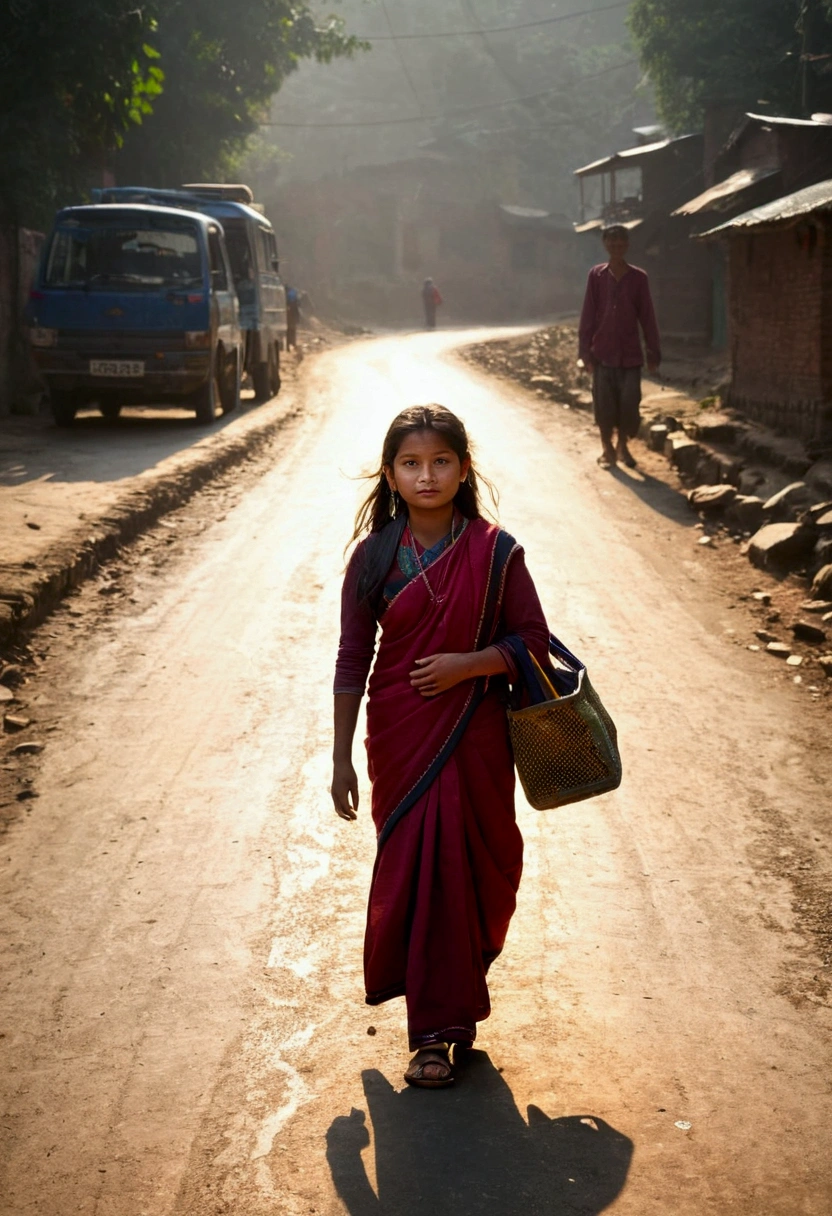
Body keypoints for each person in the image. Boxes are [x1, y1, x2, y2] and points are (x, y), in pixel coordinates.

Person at [331, 404, 549, 1089]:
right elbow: (350, 660)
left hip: (477, 735)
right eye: (411, 463)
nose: (427, 475)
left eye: (441, 461)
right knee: (422, 879)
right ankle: (430, 1034)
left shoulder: (496, 552)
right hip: (399, 736)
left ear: (463, 467)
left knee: (482, 871)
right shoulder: (372, 560)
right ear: (391, 475)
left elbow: (532, 645)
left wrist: (469, 664)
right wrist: (339, 757)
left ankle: (454, 991)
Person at [578, 224, 661, 470]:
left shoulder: (638, 278)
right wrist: (585, 354)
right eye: (611, 244)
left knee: (628, 405)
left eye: (620, 244)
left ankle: (623, 446)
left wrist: (653, 352)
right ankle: (607, 449)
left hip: (631, 356)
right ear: (605, 245)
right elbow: (588, 316)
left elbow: (647, 317)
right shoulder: (596, 275)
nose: (616, 248)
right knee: (604, 406)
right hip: (601, 354)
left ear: (627, 245)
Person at [286, 284, 300, 349]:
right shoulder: (293, 294)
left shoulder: (287, 296)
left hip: (288, 317)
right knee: (292, 331)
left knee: (289, 331)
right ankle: (292, 344)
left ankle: (288, 345)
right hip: (291, 317)